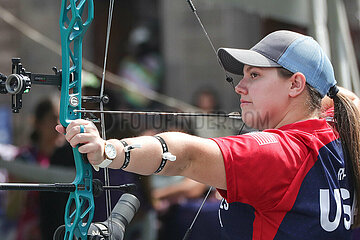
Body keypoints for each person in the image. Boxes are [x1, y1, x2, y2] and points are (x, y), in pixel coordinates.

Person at [56, 30, 360, 239]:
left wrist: (108, 150)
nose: (240, 87)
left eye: (255, 75)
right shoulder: (339, 134)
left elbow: (186, 156)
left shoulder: (280, 153)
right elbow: (339, 99)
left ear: (295, 84)